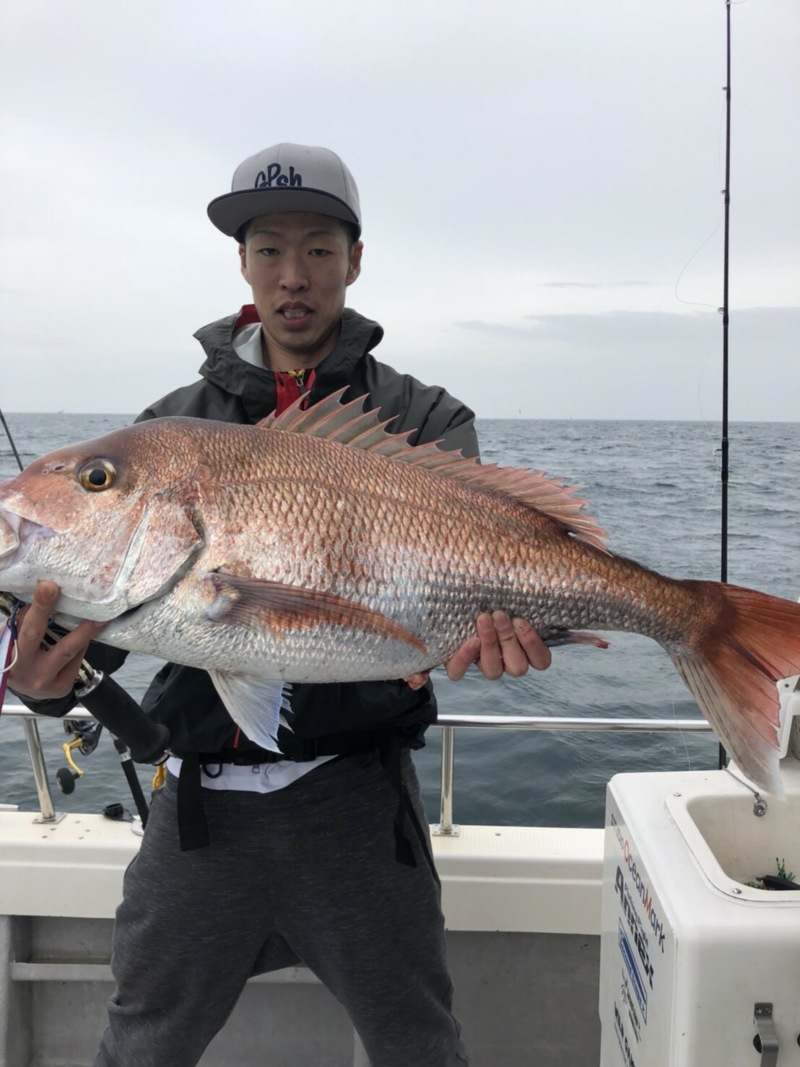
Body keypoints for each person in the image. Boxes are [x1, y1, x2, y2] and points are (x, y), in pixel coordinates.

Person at [9, 143, 551, 1067]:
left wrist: (507, 637)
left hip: (362, 807)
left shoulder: (422, 418)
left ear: (355, 258)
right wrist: (42, 685)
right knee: (139, 1044)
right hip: (201, 815)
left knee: (420, 1045)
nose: (292, 277)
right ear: (243, 262)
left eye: (318, 251)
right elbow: (94, 630)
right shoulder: (172, 421)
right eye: (269, 250)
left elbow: (488, 566)